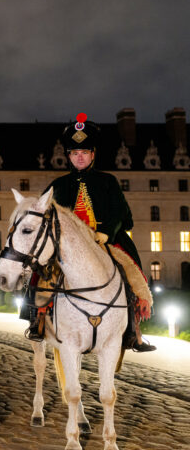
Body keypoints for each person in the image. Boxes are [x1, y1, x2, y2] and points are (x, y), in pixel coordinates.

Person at [23, 113, 155, 352]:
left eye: (84, 152)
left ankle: (132, 331)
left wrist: (105, 231)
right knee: (40, 273)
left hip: (104, 241)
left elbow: (123, 215)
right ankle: (37, 319)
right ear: (69, 156)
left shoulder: (108, 181)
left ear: (93, 154)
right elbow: (43, 214)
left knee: (129, 274)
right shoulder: (58, 185)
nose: (79, 157)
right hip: (67, 244)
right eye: (75, 153)